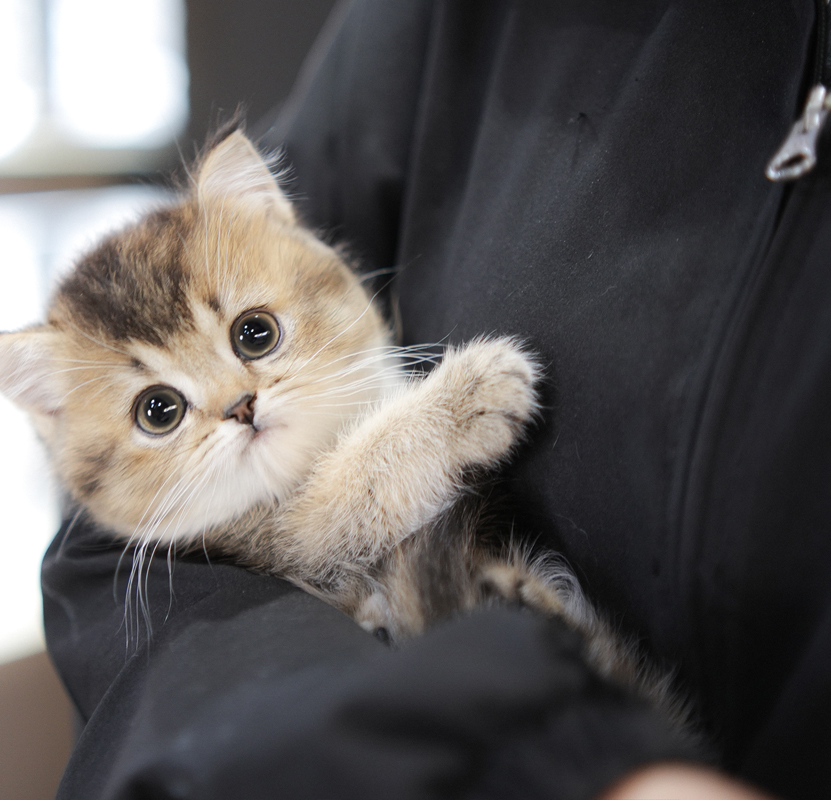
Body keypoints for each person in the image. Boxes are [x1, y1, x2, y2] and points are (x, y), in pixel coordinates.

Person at [41, 2, 831, 797]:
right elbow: (115, 572)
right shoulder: (434, 27)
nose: (236, 403)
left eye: (253, 335)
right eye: (162, 409)